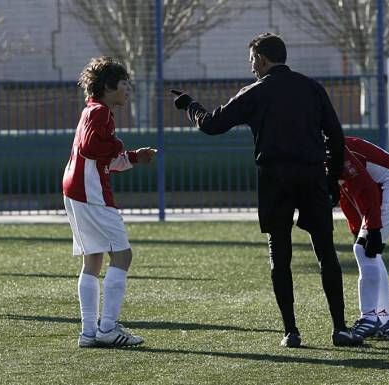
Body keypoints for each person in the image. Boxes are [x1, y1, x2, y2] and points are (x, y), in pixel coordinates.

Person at [171, 32, 363, 347]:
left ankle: (291, 332)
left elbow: (212, 125)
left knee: (279, 252)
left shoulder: (255, 92)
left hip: (275, 178)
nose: (252, 68)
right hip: (312, 175)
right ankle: (340, 329)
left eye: (252, 61)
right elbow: (336, 136)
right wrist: (331, 178)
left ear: (261, 59)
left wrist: (190, 105)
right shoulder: (312, 88)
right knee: (326, 251)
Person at [62, 56, 156, 348]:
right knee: (123, 256)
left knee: (93, 259)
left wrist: (135, 158)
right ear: (107, 87)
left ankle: (89, 332)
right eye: (124, 85)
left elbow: (103, 160)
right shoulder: (100, 112)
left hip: (77, 189)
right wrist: (118, 145)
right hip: (90, 194)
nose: (128, 90)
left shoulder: (93, 111)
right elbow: (92, 149)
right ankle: (108, 327)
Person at [338, 136, 389, 339]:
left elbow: (366, 188)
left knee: (364, 249)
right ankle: (384, 319)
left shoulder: (332, 149)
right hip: (388, 186)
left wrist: (371, 228)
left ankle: (370, 317)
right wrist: (357, 227)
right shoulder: (320, 145)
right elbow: (346, 192)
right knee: (370, 252)